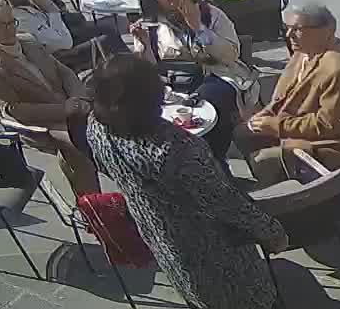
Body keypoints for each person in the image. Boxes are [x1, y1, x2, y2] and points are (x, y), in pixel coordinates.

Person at [86, 55, 287, 309]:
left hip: (161, 238)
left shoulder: (96, 128)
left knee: (198, 295)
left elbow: (107, 168)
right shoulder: (177, 149)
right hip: (214, 248)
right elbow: (226, 203)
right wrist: (272, 232)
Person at [234, 3, 340, 186]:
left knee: (264, 159)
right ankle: (279, 181)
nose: (289, 36)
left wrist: (276, 125)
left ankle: (300, 199)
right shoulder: (304, 51)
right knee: (242, 132)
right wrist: (266, 113)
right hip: (299, 123)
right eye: (287, 29)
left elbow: (329, 125)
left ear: (328, 30)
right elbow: (285, 94)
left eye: (298, 29)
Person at [0, 0, 100, 197]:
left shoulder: (27, 40)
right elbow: (13, 109)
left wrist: (79, 97)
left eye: (11, 22)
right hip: (44, 122)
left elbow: (63, 71)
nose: (10, 29)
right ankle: (96, 208)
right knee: (76, 147)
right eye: (2, 25)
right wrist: (63, 109)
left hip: (70, 102)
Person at [124, 0, 260, 160]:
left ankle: (216, 161)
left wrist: (199, 29)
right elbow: (148, 70)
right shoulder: (151, 25)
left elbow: (230, 56)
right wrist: (144, 45)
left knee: (206, 104)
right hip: (174, 82)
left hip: (218, 74)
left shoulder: (210, 14)